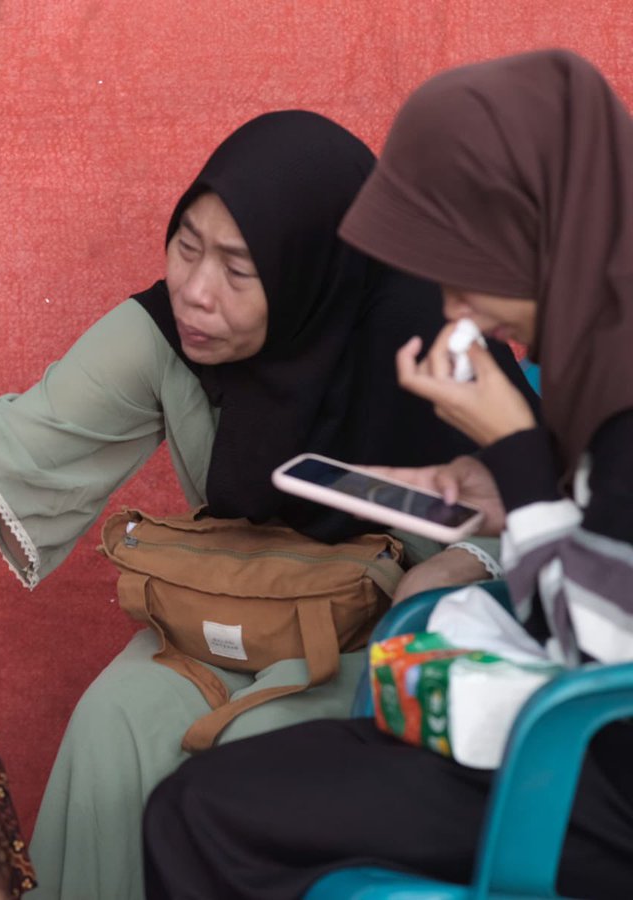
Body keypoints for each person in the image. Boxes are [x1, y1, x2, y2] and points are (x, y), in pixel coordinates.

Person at [0, 111, 534, 900]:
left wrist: (464, 566)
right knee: (113, 724)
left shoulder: (429, 334)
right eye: (186, 248)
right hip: (229, 608)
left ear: (307, 268)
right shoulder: (170, 333)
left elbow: (545, 498)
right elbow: (0, 449)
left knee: (250, 759)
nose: (197, 292)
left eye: (239, 270)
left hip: (386, 637)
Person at [142, 49, 633, 899]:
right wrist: (511, 493)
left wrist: (516, 455)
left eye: (470, 264)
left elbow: (602, 649)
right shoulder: (607, 348)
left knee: (200, 811)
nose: (458, 309)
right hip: (560, 746)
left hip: (592, 787)